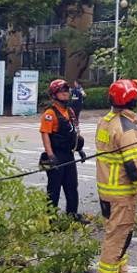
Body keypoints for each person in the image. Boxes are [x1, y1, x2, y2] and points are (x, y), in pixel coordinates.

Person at [94, 78, 137, 273]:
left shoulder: (105, 121)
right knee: (117, 238)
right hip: (121, 193)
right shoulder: (126, 128)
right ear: (132, 100)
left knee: (122, 234)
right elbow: (134, 167)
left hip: (106, 190)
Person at [40, 79, 81, 216]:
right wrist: (50, 155)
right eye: (61, 91)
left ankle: (72, 215)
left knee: (72, 186)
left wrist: (79, 149)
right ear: (54, 95)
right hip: (56, 155)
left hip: (69, 154)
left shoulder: (70, 111)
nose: (65, 93)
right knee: (54, 189)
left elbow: (73, 133)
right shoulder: (50, 114)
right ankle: (50, 219)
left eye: (66, 91)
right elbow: (45, 134)